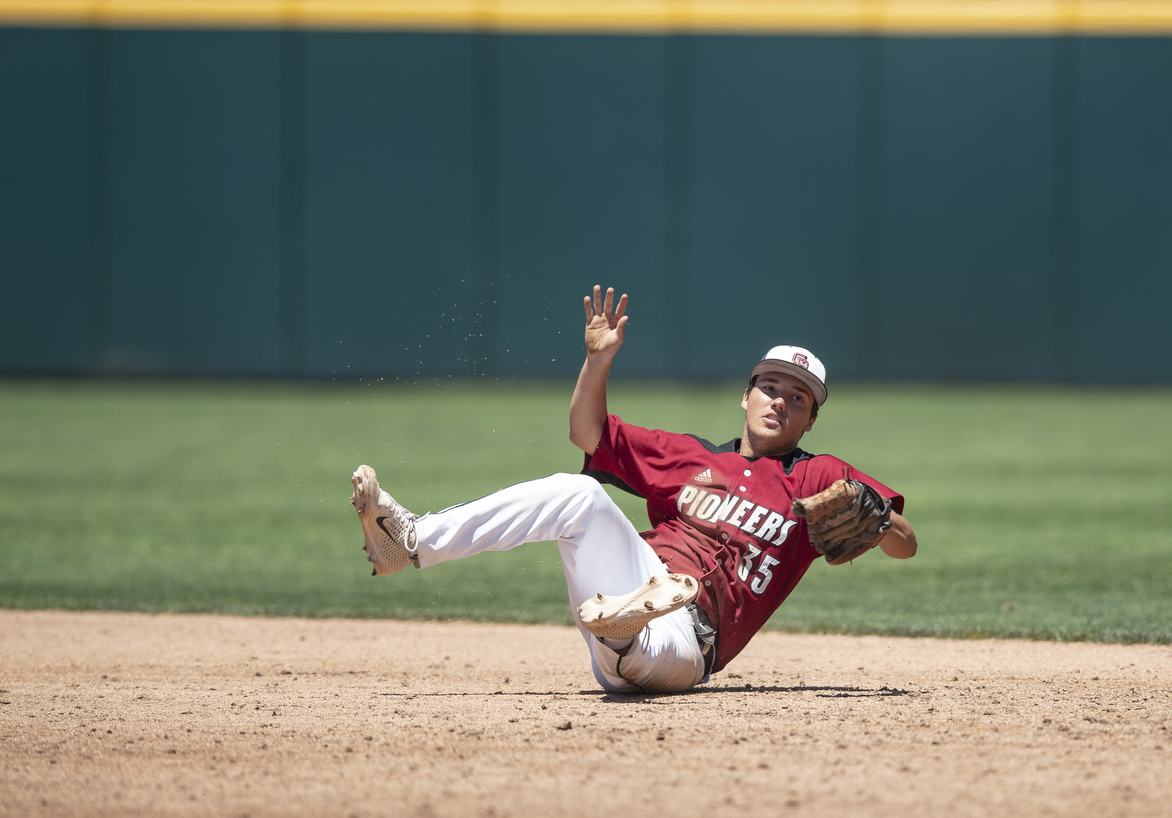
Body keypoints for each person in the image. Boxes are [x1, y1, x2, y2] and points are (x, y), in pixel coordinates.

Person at [350, 285, 916, 694]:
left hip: (691, 637)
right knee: (579, 495)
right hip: (640, 572)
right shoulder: (690, 457)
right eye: (770, 387)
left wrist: (878, 517)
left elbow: (905, 543)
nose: (780, 401)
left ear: (810, 421)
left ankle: (625, 630)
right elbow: (586, 433)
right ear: (745, 397)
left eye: (799, 398)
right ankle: (412, 540)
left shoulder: (816, 477)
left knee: (645, 656)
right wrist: (596, 362)